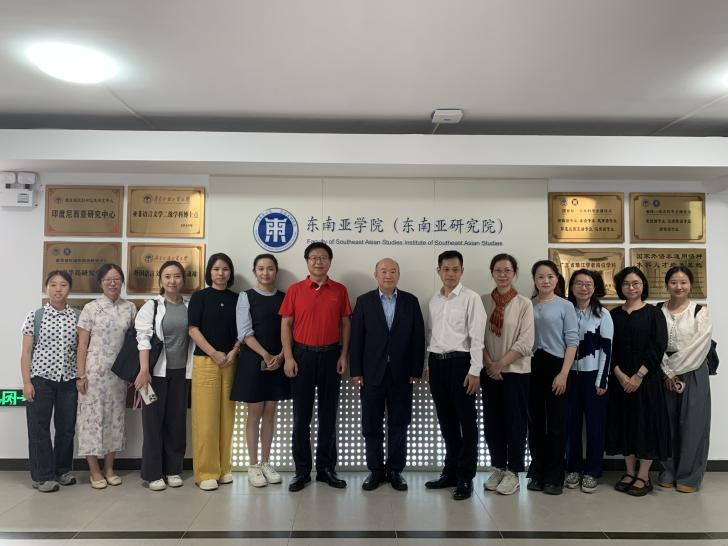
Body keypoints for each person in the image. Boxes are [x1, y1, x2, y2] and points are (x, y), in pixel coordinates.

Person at [280, 241, 352, 492]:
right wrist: (289, 357)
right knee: (301, 417)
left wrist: (343, 355)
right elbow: (286, 324)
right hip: (302, 356)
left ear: (330, 262)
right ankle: (302, 471)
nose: (318, 262)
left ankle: (326, 469)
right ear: (307, 261)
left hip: (331, 355)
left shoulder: (340, 290)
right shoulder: (295, 290)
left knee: (328, 416)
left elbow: (346, 324)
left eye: (323, 257)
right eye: (313, 257)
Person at [349, 258, 425, 492]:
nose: (388, 275)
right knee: (371, 425)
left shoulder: (411, 301)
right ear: (376, 275)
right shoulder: (364, 301)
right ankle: (375, 470)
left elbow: (418, 337)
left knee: (399, 424)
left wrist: (416, 370)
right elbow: (356, 338)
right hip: (371, 374)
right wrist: (356, 371)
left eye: (393, 271)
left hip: (402, 374)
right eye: (383, 271)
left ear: (398, 275)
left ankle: (395, 470)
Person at [424, 250, 486, 501]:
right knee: (446, 420)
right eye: (446, 269)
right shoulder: (433, 300)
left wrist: (475, 370)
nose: (450, 274)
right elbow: (430, 335)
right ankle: (450, 472)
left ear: (462, 271)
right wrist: (427, 366)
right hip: (436, 364)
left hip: (461, 364)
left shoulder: (471, 298)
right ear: (438, 271)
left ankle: (465, 477)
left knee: (466, 421)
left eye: (455, 269)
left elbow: (477, 338)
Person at [606, 266, 669, 497]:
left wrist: (638, 375)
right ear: (620, 287)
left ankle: (644, 475)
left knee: (646, 425)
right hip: (620, 381)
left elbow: (658, 346)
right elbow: (608, 347)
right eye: (626, 283)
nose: (631, 287)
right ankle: (629, 471)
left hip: (647, 381)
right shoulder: (613, 315)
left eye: (636, 283)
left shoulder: (654, 314)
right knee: (626, 424)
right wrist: (620, 375)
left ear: (643, 285)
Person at [134, 261, 195, 491]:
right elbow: (143, 340)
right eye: (167, 276)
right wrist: (144, 371)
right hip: (154, 375)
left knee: (176, 422)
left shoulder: (189, 306)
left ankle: (173, 470)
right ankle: (153, 474)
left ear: (183, 279)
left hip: (181, 374)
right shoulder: (152, 307)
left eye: (177, 276)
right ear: (160, 280)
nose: (172, 281)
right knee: (152, 424)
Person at [231, 253, 291, 488]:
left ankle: (266, 462)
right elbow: (244, 333)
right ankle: (253, 465)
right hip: (253, 361)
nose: (266, 273)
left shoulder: (285, 298)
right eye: (261, 268)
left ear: (276, 271)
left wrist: (281, 356)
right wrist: (266, 355)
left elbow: (290, 330)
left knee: (270, 413)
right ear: (254, 271)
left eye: (270, 268)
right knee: (254, 413)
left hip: (278, 360)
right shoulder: (246, 297)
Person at [76, 263, 137, 489]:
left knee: (115, 419)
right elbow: (82, 345)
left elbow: (134, 342)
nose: (112, 283)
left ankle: (110, 468)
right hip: (93, 374)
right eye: (107, 280)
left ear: (122, 282)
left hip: (119, 375)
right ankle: (94, 470)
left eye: (116, 279)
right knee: (91, 420)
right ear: (100, 283)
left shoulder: (130, 308)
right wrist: (80, 375)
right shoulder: (90, 308)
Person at [20, 271, 80, 493]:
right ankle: (42, 476)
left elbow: (81, 350)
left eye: (63, 285)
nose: (58, 289)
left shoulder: (77, 316)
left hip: (68, 381)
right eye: (53, 285)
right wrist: (27, 382)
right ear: (46, 288)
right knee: (39, 429)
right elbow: (26, 352)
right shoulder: (35, 316)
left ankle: (62, 470)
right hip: (41, 380)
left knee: (66, 428)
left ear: (69, 289)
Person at [481, 254, 534, 496]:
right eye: (498, 270)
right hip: (489, 371)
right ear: (492, 272)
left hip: (515, 372)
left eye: (507, 270)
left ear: (515, 273)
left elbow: (526, 341)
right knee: (493, 423)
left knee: (515, 422)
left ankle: (513, 472)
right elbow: (476, 337)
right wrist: (489, 364)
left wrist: (500, 364)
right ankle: (499, 468)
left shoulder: (524, 304)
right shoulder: (482, 301)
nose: (502, 275)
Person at [188, 253, 241, 491]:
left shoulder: (237, 299)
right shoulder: (200, 297)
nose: (221, 273)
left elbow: (243, 330)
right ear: (209, 272)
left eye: (225, 269)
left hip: (230, 361)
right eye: (216, 269)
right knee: (206, 419)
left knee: (227, 418)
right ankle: (206, 472)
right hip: (206, 361)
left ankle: (224, 468)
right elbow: (193, 330)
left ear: (231, 273)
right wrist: (214, 353)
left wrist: (233, 351)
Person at [657, 266, 712, 493]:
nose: (678, 287)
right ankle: (667, 472)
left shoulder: (700, 311)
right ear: (666, 284)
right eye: (673, 282)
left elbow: (700, 345)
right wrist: (667, 370)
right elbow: (654, 343)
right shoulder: (658, 310)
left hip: (694, 370)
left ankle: (689, 476)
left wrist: (674, 369)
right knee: (665, 423)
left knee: (693, 425)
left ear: (690, 284)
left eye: (683, 282)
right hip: (662, 371)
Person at [527, 260, 578, 495]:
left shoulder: (565, 306)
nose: (545, 281)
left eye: (550, 276)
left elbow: (572, 342)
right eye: (540, 277)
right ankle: (537, 471)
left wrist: (563, 374)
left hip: (557, 366)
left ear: (557, 279)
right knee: (535, 423)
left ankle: (555, 475)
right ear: (534, 280)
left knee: (557, 424)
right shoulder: (527, 304)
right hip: (531, 366)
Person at [565, 269, 613, 493]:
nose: (583, 288)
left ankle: (593, 471)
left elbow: (607, 349)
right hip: (569, 376)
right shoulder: (566, 310)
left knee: (595, 426)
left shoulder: (603, 314)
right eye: (578, 283)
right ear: (571, 286)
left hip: (593, 376)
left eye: (588, 284)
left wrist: (602, 380)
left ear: (595, 288)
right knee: (571, 426)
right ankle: (573, 468)